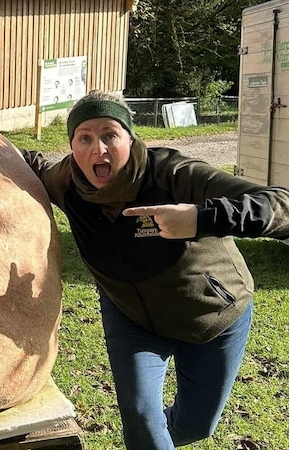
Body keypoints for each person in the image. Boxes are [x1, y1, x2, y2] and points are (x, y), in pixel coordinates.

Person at [19, 90, 289, 449]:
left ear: (130, 137)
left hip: (213, 314)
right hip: (130, 317)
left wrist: (199, 218)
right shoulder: (67, 181)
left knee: (195, 427)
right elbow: (31, 165)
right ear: (72, 146)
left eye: (110, 135)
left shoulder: (173, 174)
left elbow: (280, 204)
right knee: (142, 419)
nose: (97, 149)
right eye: (84, 138)